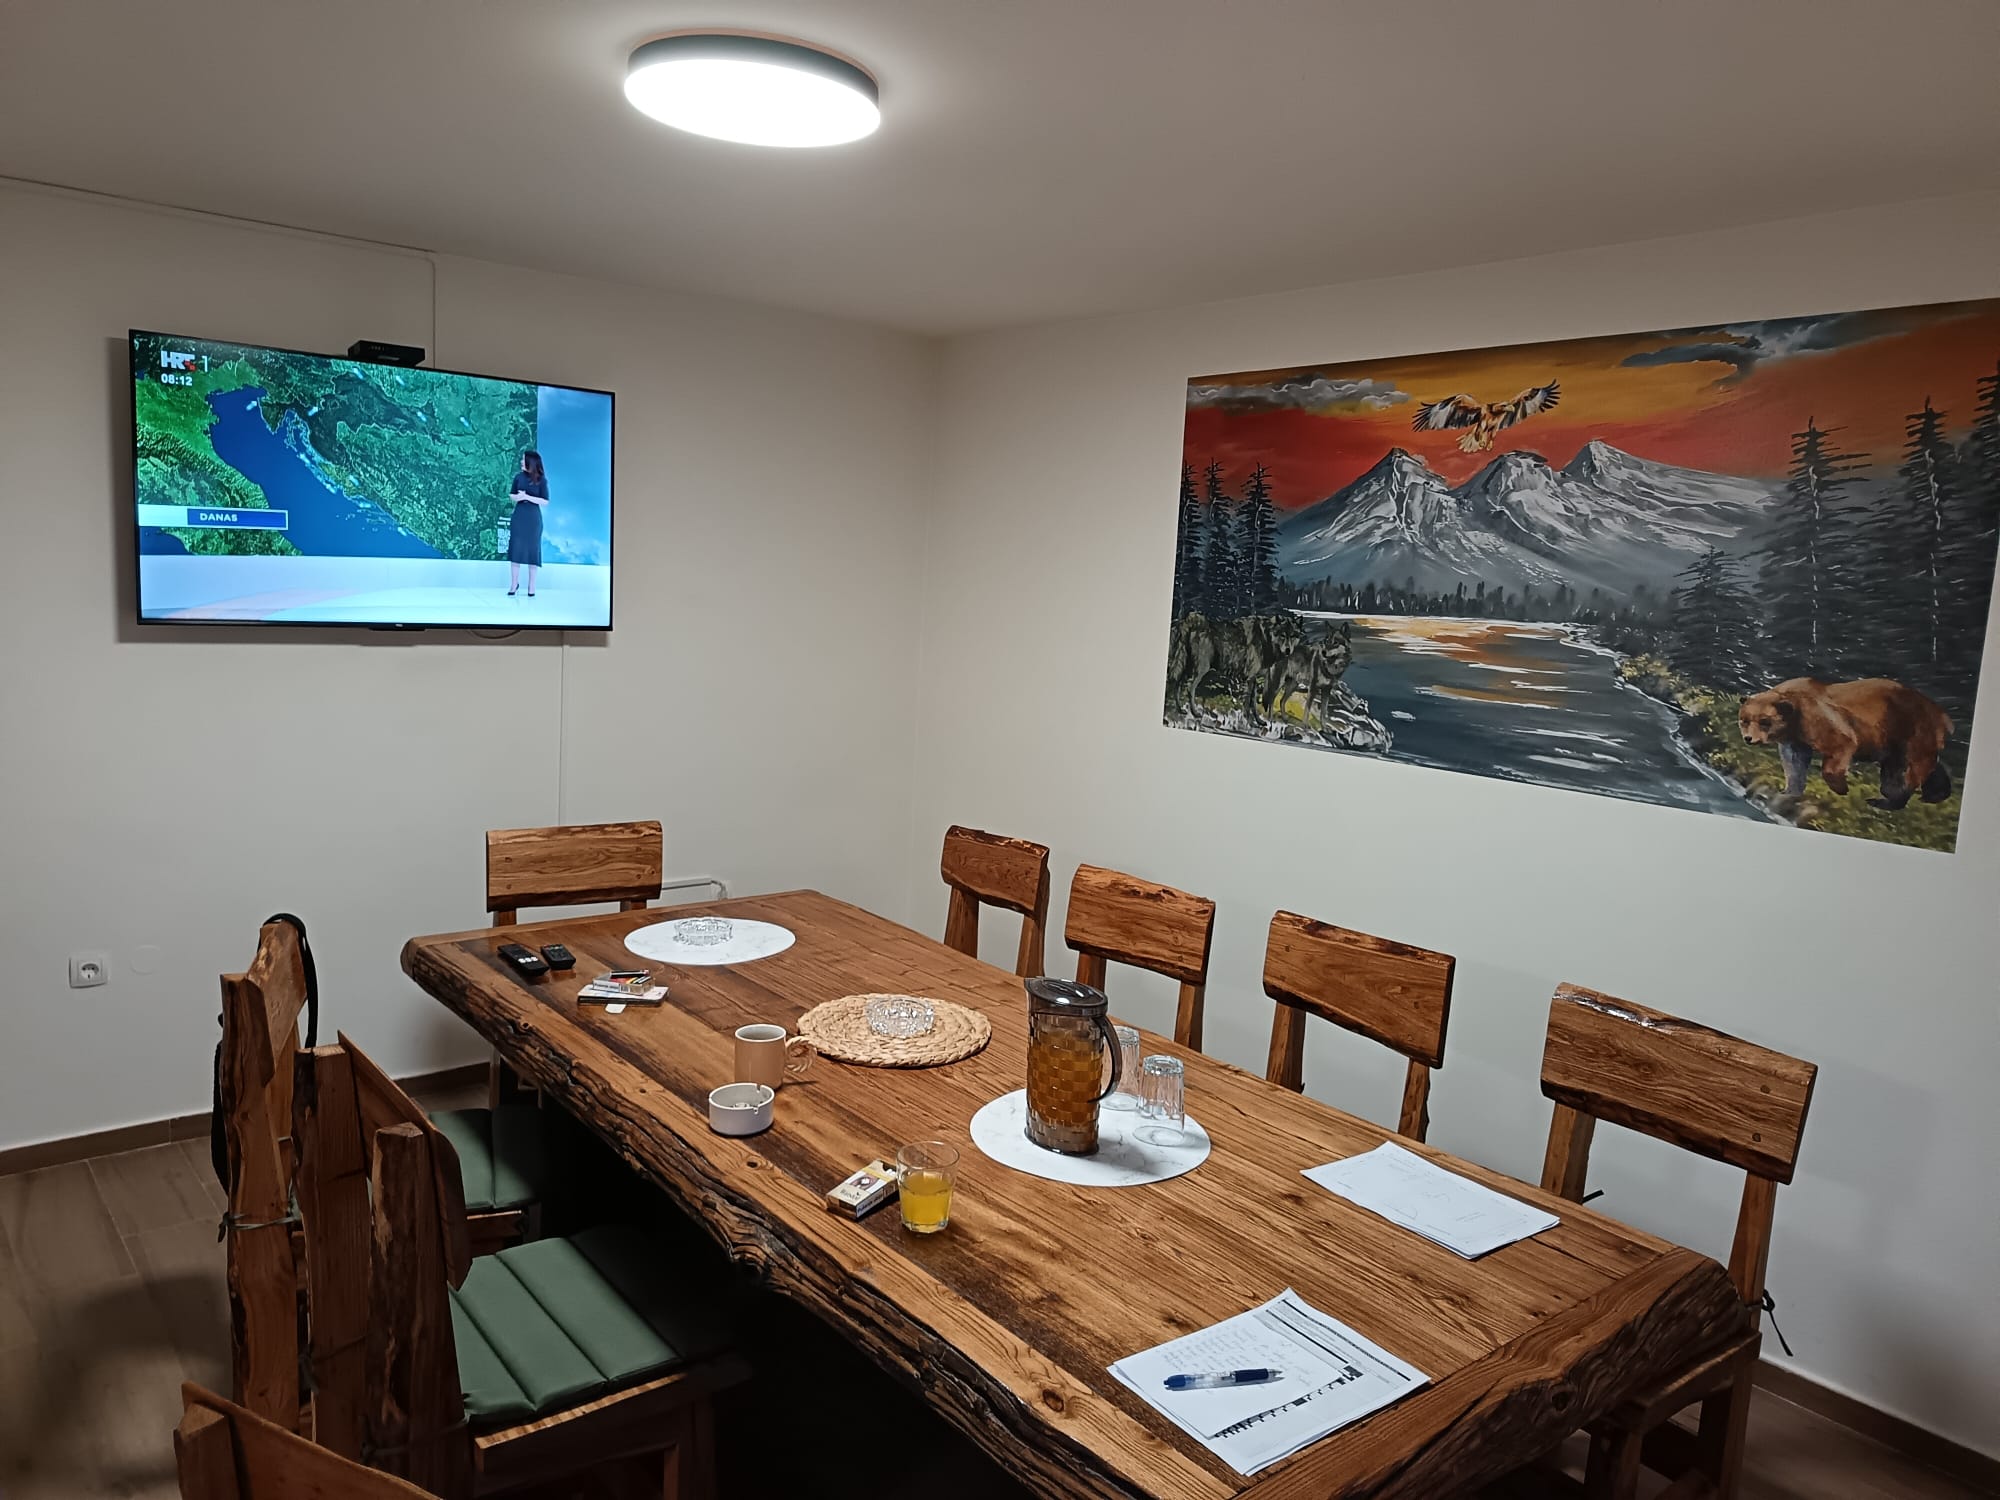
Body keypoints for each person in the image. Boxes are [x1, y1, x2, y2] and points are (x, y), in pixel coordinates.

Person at [506, 450, 549, 597]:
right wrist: (518, 497)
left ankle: (532, 587)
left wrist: (528, 497)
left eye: (524, 460)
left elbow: (545, 501)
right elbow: (511, 495)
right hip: (519, 517)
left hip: (533, 519)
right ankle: (514, 584)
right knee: (516, 550)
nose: (521, 462)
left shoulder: (541, 480)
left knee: (532, 552)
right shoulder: (518, 477)